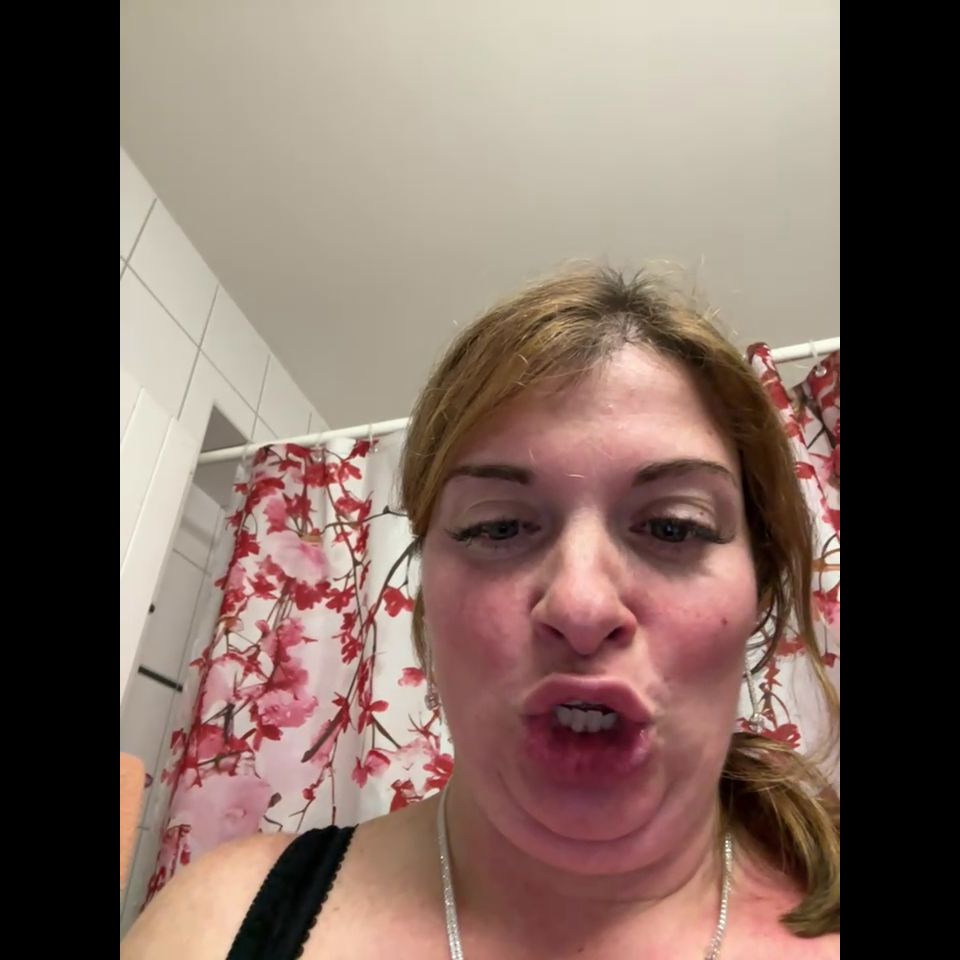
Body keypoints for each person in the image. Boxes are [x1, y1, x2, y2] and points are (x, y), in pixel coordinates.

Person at [122, 266, 840, 959]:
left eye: (674, 527)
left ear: (762, 590)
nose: (581, 606)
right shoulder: (218, 923)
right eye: (498, 526)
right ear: (424, 596)